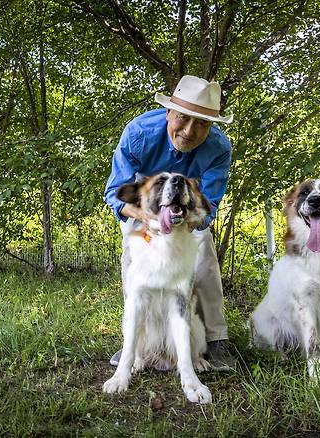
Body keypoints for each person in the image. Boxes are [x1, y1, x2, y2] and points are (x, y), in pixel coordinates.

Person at [104, 75, 235, 371]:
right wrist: (146, 218)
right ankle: (133, 342)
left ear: (211, 127)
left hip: (187, 213)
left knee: (203, 260)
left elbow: (208, 205)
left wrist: (181, 226)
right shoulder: (139, 133)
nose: (189, 131)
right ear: (168, 112)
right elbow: (115, 193)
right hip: (145, 207)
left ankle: (216, 339)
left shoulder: (219, 149)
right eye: (184, 118)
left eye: (201, 123)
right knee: (132, 263)